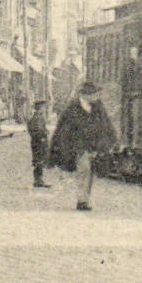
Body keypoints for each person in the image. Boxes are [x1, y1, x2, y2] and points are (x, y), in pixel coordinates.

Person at [49, 82, 117, 211]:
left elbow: (106, 123)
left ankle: (85, 198)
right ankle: (82, 200)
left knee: (90, 172)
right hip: (78, 146)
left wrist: (109, 140)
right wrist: (64, 146)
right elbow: (63, 129)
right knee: (84, 170)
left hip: (94, 145)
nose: (97, 96)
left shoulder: (98, 106)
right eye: (94, 94)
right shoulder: (72, 107)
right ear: (85, 95)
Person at [27, 98, 52, 188]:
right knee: (39, 160)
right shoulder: (38, 116)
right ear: (40, 107)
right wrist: (41, 137)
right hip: (39, 142)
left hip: (37, 141)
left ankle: (38, 180)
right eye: (44, 107)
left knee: (39, 160)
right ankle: (38, 181)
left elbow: (31, 128)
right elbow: (35, 129)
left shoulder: (37, 116)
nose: (45, 109)